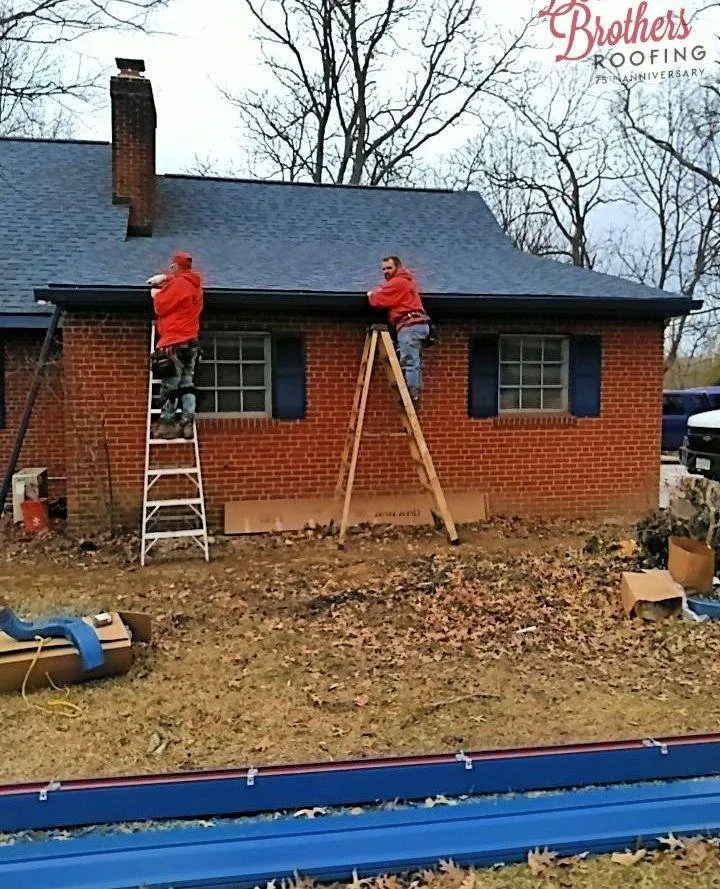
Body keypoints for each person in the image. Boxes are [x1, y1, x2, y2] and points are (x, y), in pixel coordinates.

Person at [147, 251, 204, 440]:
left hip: (174, 343)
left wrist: (156, 294)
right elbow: (180, 286)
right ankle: (187, 422)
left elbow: (161, 306)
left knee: (170, 385)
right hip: (192, 344)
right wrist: (167, 280)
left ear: (176, 266)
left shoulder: (179, 284)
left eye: (172, 266)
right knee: (187, 384)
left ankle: (166, 423)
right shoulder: (195, 285)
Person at [367, 255, 430, 406]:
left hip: (409, 326)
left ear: (398, 268)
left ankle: (411, 397)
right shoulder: (406, 281)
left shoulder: (398, 282)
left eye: (389, 268)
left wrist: (371, 295)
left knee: (409, 362)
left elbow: (378, 299)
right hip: (418, 325)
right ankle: (415, 394)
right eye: (383, 269)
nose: (386, 272)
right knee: (414, 363)